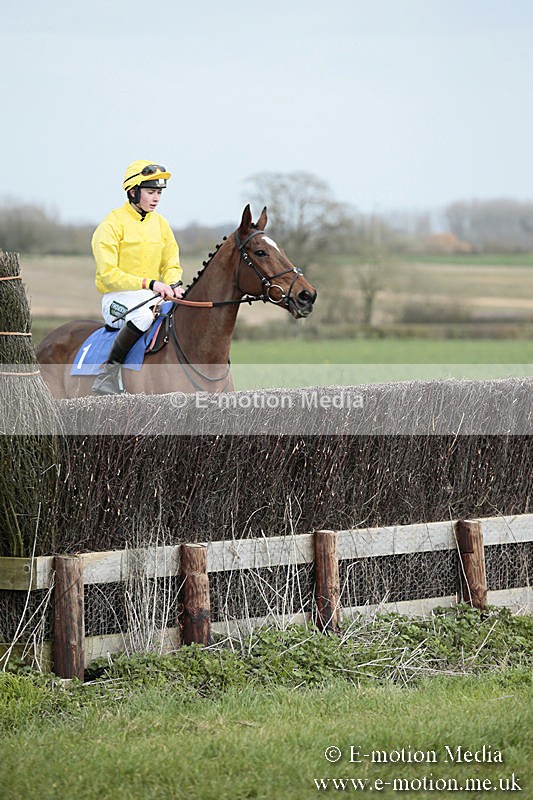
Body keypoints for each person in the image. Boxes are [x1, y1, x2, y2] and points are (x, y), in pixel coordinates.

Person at [91, 160, 184, 395]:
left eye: (159, 193)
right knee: (143, 316)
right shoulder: (111, 225)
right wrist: (150, 283)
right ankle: (106, 376)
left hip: (152, 296)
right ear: (133, 192)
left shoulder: (161, 224)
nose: (156, 198)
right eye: (150, 192)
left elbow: (171, 263)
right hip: (117, 299)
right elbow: (108, 275)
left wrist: (173, 284)